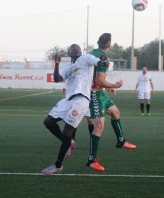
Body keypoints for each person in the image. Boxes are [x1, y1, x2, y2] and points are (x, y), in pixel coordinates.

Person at [41, 44, 111, 175]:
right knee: (48, 122)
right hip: (68, 99)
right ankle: (68, 142)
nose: (75, 49)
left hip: (82, 99)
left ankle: (58, 165)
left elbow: (102, 63)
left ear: (80, 51)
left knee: (68, 131)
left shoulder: (86, 58)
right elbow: (56, 79)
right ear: (69, 52)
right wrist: (56, 64)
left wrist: (103, 60)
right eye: (73, 48)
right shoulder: (69, 67)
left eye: (77, 48)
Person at [86, 33, 137, 172]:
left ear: (97, 42)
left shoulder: (92, 52)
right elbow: (99, 80)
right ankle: (91, 159)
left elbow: (97, 79)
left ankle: (120, 141)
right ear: (109, 45)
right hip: (93, 94)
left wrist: (107, 87)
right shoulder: (103, 58)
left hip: (99, 92)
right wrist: (114, 85)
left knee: (115, 113)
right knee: (99, 126)